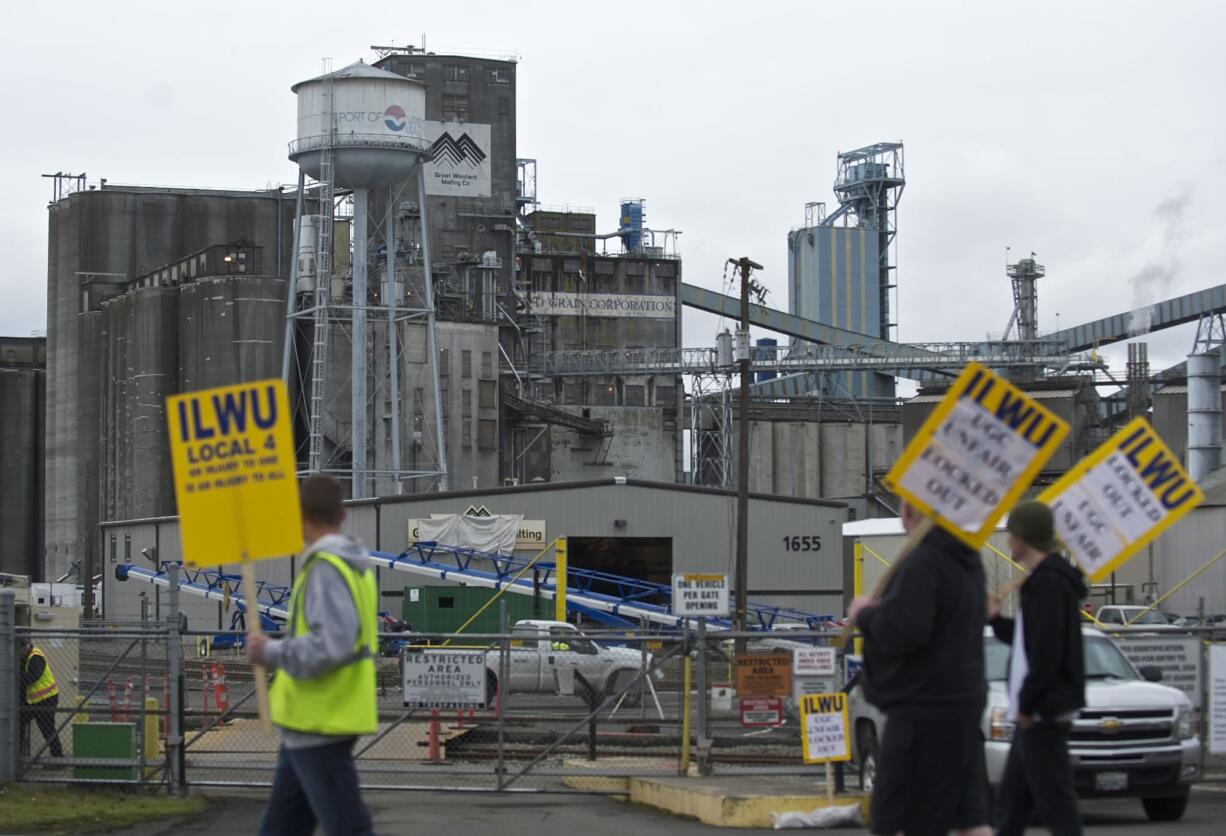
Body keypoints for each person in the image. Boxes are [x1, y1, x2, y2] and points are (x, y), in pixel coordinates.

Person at [848, 502, 991, 836]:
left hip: (922, 709)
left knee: (897, 817)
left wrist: (864, 616)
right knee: (970, 819)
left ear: (912, 513)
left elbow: (906, 629)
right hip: (962, 706)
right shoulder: (969, 561)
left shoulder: (924, 562)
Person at [247, 475, 379, 836]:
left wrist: (270, 650)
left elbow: (331, 645)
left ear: (299, 517)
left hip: (321, 720)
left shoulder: (325, 567)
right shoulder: (354, 565)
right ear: (343, 515)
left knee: (347, 828)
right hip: (313, 722)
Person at [987, 500, 1087, 836]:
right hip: (1034, 713)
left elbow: (1046, 652)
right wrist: (995, 621)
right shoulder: (1047, 580)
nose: (1009, 541)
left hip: (1041, 713)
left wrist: (1028, 704)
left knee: (1057, 805)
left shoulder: (1047, 584)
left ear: (1023, 537)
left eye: (1011, 534)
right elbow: (1028, 639)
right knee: (1012, 808)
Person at [20, 639, 64, 759]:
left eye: (20, 652)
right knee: (19, 723)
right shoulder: (27, 656)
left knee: (47, 728)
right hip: (34, 701)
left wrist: (16, 680)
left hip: (46, 699)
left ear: (25, 648)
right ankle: (17, 756)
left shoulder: (35, 657)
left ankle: (58, 758)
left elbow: (33, 677)